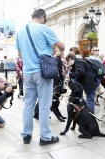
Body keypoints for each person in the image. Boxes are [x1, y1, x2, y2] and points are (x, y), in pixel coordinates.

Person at [16, 8, 65, 145]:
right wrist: (51, 49)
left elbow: (20, 54)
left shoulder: (20, 31)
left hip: (27, 72)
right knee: (44, 105)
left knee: (28, 105)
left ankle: (26, 135)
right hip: (43, 72)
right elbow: (62, 46)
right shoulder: (44, 28)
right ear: (42, 16)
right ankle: (45, 137)